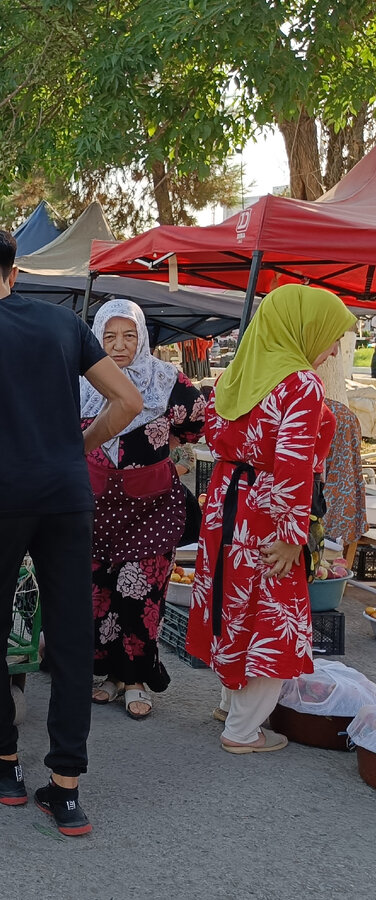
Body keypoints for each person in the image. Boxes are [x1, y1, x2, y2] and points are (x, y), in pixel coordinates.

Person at [0, 225, 142, 837]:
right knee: (69, 634)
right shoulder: (62, 323)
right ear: (14, 274)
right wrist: (76, 446)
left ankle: (2, 762)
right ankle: (66, 788)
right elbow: (127, 400)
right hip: (66, 496)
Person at [187, 284, 354, 753]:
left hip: (225, 506)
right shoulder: (300, 383)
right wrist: (291, 536)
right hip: (267, 512)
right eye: (332, 335)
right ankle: (242, 731)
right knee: (273, 616)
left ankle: (228, 706)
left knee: (230, 602)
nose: (336, 347)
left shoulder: (235, 375)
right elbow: (294, 464)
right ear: (302, 329)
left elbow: (217, 438)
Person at [80, 300, 206, 720]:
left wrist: (163, 450)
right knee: (99, 593)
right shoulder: (81, 379)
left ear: (142, 337)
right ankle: (110, 675)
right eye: (109, 336)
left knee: (140, 592)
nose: (119, 346)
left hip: (151, 508)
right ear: (97, 336)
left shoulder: (167, 380)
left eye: (128, 336)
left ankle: (135, 678)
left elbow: (195, 422)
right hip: (94, 508)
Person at [316, 331, 366, 563]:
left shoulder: (322, 412)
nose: (336, 350)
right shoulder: (345, 415)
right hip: (339, 507)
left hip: (319, 505)